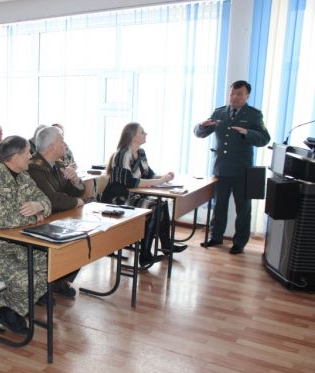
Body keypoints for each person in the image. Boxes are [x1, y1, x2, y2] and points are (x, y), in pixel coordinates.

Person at [0, 135, 51, 335]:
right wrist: (35, 216)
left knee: (50, 264)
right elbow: (0, 219)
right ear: (15, 157)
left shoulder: (22, 175)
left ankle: (7, 306)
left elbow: (45, 200)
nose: (31, 156)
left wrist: (39, 205)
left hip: (15, 243)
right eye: (27, 152)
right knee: (28, 279)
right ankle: (10, 311)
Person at [194, 80, 270, 254]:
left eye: (239, 94)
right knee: (219, 205)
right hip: (221, 168)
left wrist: (247, 133)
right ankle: (216, 236)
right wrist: (201, 126)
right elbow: (200, 133)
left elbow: (264, 139)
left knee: (243, 209)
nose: (234, 97)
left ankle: (239, 242)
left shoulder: (254, 115)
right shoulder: (219, 112)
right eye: (232, 94)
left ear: (247, 95)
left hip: (242, 170)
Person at [102, 123, 187, 267]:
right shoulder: (123, 153)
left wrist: (165, 177)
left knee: (162, 203)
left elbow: (149, 174)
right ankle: (145, 254)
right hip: (117, 198)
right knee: (154, 207)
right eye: (142, 132)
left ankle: (166, 245)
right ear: (133, 136)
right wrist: (160, 181)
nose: (145, 134)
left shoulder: (140, 153)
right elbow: (130, 182)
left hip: (132, 195)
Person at [28, 126, 85, 298]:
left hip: (58, 217)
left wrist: (75, 180)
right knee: (76, 240)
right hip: (40, 220)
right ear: (51, 147)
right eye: (62, 141)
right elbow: (52, 200)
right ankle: (52, 281)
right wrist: (76, 202)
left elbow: (76, 191)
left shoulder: (57, 165)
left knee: (84, 239)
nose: (65, 145)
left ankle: (59, 280)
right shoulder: (34, 167)